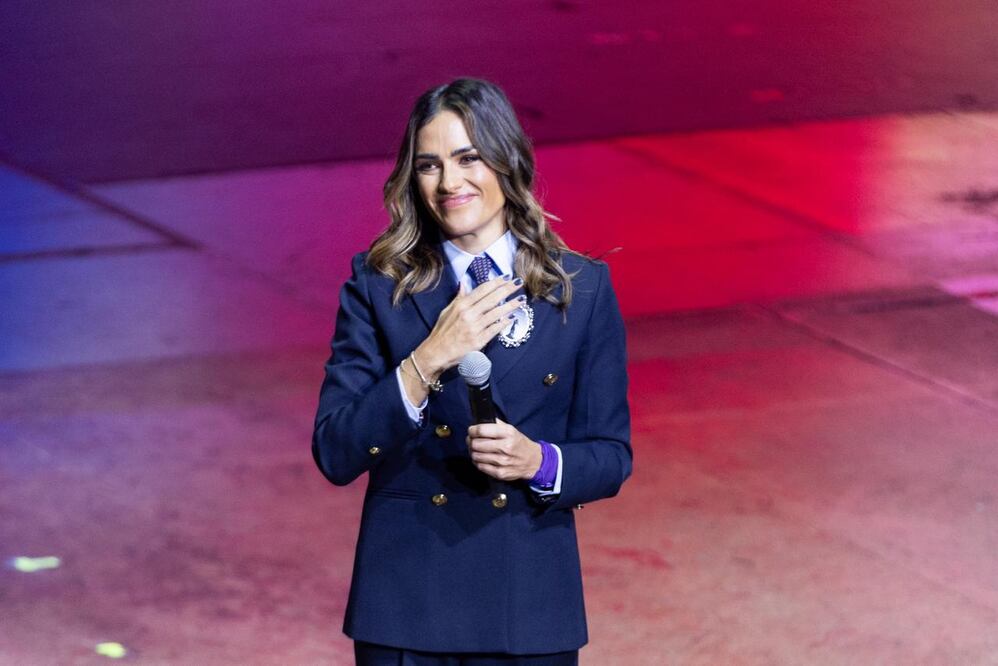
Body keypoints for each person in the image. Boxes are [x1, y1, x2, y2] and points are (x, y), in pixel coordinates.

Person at [311, 77, 632, 666]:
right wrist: (429, 356)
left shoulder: (580, 290)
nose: (450, 183)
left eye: (468, 159)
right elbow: (335, 451)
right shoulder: (379, 286)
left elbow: (611, 455)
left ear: (506, 161)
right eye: (429, 166)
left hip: (528, 607)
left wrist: (539, 462)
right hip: (407, 605)